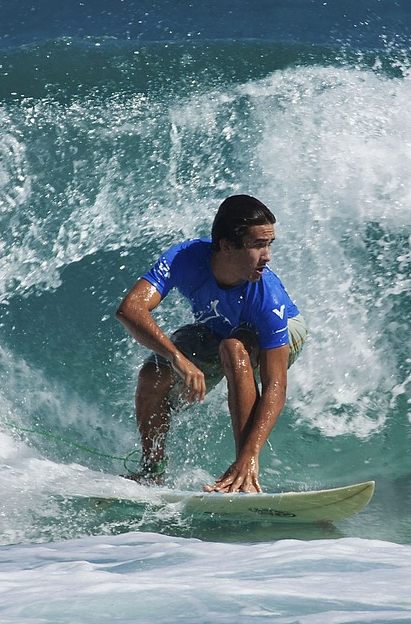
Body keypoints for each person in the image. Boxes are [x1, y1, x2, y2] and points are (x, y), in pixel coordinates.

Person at [115, 195, 307, 493]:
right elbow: (131, 309)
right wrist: (178, 359)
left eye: (269, 244)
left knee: (234, 348)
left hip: (285, 332)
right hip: (218, 328)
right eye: (258, 245)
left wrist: (250, 454)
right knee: (153, 374)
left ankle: (244, 473)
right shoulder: (186, 259)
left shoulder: (267, 295)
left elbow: (275, 386)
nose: (267, 255)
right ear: (227, 245)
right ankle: (152, 471)